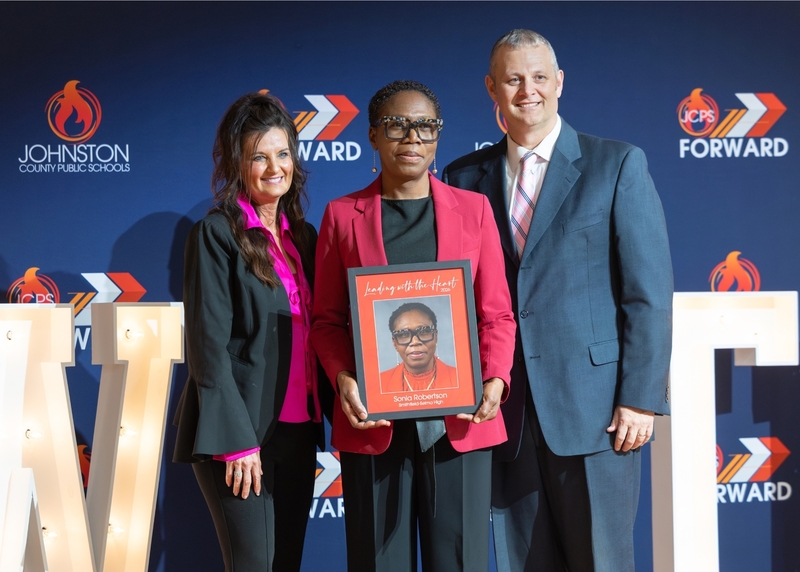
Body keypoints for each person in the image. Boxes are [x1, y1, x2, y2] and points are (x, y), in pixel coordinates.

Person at [442, 30, 673, 572]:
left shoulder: (616, 165)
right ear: (492, 89)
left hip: (597, 416)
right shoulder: (461, 178)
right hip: (504, 415)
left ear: (560, 82)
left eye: (540, 77)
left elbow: (647, 293)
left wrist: (640, 397)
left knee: (602, 561)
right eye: (514, 79)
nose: (529, 90)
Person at [310, 80, 516, 572]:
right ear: (373, 136)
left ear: (438, 136)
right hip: (374, 425)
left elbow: (496, 313)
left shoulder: (475, 210)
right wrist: (344, 379)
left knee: (461, 563)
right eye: (396, 125)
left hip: (460, 424)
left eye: (425, 126)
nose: (412, 137)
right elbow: (326, 321)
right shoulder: (342, 216)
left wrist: (496, 377)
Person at [172, 92, 329, 572]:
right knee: (253, 565)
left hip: (299, 431)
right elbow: (208, 348)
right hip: (240, 432)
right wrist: (238, 442)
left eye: (282, 154)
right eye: (258, 156)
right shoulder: (217, 234)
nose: (274, 167)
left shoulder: (303, 237)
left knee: (286, 563)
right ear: (238, 164)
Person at [380, 301, 459, 393]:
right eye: (404, 334)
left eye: (424, 332)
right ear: (394, 343)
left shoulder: (461, 378)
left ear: (436, 336)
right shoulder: (379, 384)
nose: (415, 342)